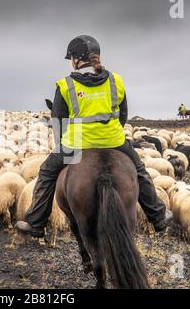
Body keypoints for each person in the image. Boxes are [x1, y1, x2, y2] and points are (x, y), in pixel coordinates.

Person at [15, 35, 173, 238]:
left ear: (76, 59)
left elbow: (59, 121)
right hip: (114, 141)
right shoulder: (116, 80)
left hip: (76, 144)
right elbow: (122, 115)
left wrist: (65, 146)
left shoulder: (65, 85)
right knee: (139, 170)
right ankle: (157, 216)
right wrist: (110, 135)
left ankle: (36, 222)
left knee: (46, 172)